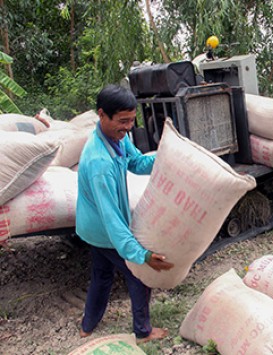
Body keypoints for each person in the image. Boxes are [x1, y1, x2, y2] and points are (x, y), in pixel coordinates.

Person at [76, 84, 174, 343]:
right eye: (122, 121)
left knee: (102, 275)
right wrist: (142, 255)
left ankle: (88, 325)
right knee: (138, 275)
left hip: (92, 227)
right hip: (103, 230)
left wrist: (165, 157)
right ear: (101, 115)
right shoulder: (99, 163)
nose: (128, 127)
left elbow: (137, 163)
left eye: (131, 120)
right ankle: (143, 332)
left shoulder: (118, 137)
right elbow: (113, 222)